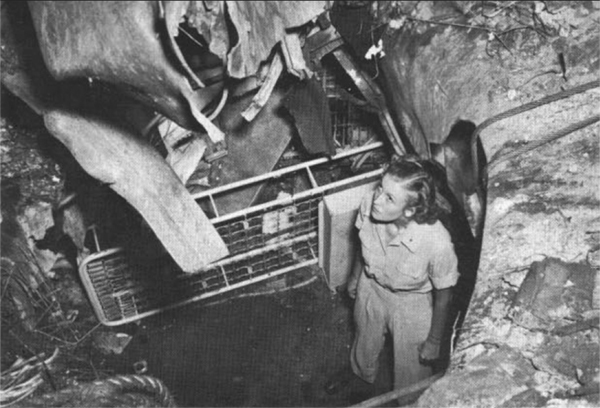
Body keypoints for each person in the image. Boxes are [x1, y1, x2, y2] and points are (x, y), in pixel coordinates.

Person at [338, 155, 460, 395]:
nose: (377, 200)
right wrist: (354, 277)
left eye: (389, 198)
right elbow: (360, 245)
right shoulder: (369, 204)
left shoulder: (437, 241)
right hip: (371, 286)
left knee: (412, 366)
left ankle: (410, 399)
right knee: (365, 338)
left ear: (410, 209)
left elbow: (444, 295)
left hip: (410, 303)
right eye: (381, 188)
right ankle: (360, 374)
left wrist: (434, 341)